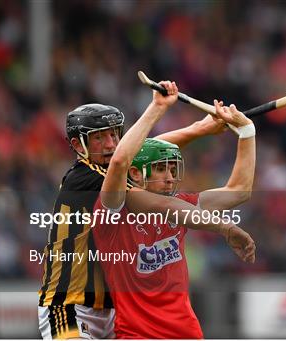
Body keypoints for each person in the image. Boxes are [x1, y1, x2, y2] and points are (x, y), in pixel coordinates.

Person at [38, 80, 230, 339]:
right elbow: (125, 159)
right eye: (99, 138)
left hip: (115, 310)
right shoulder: (84, 177)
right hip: (71, 305)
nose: (110, 144)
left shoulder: (111, 170)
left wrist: (201, 128)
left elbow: (147, 150)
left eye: (114, 134)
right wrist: (158, 108)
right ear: (77, 144)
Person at [91, 86, 256, 338]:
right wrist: (158, 107)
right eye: (160, 169)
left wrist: (246, 131)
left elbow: (239, 191)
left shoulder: (181, 201)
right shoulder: (113, 209)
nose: (169, 178)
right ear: (135, 174)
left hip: (186, 333)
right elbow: (120, 161)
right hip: (136, 335)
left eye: (172, 169)